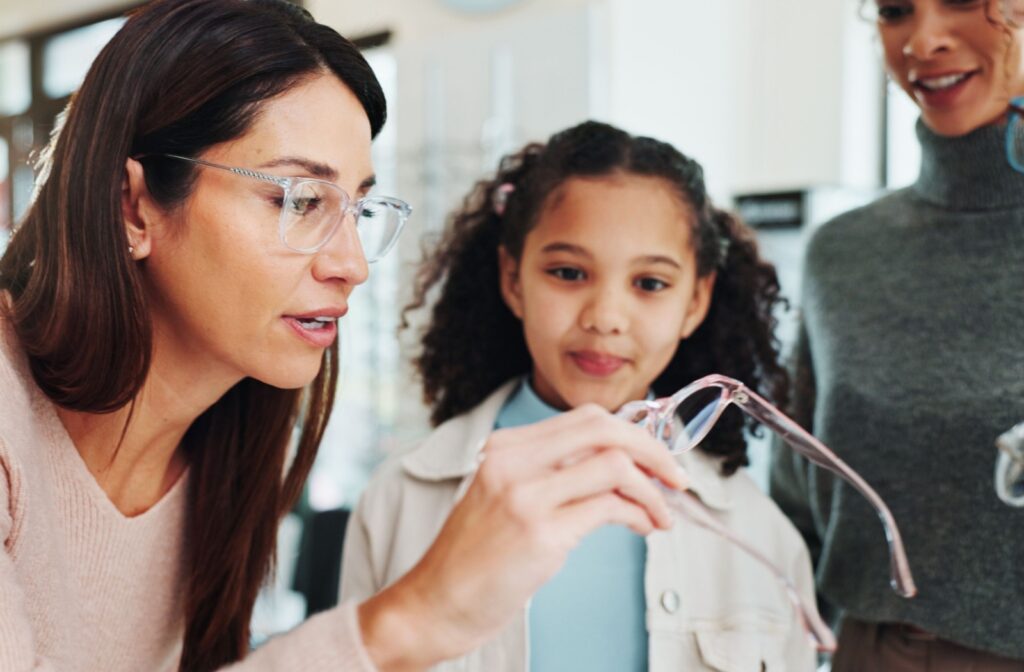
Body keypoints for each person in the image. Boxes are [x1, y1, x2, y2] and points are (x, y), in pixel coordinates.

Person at [0, 2, 690, 671]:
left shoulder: (227, 449)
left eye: (359, 208)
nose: (352, 265)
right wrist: (419, 616)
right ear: (133, 206)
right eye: (300, 201)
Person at [340, 120, 820, 671]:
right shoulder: (399, 503)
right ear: (514, 279)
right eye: (568, 273)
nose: (605, 319)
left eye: (650, 284)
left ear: (695, 300)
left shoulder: (761, 537)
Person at [770, 0, 1024, 669]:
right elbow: (797, 494)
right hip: (865, 650)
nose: (925, 39)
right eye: (895, 11)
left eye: (964, 1)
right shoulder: (843, 254)